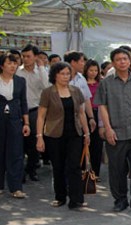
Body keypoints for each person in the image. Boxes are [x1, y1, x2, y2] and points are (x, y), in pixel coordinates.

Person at [94, 48, 131, 213]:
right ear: (113, 63)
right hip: (116, 133)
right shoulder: (106, 83)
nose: (122, 62)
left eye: (125, 59)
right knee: (117, 169)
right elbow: (102, 107)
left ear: (130, 60)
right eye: (118, 59)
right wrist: (107, 128)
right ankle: (120, 200)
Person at [36, 62, 90, 209]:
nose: (66, 77)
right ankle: (60, 196)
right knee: (58, 166)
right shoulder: (48, 92)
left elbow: (81, 113)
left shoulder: (75, 91)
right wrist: (39, 136)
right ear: (55, 75)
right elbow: (41, 116)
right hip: (54, 134)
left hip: (74, 133)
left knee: (74, 166)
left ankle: (76, 199)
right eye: (62, 74)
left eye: (68, 74)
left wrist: (86, 132)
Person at [16, 44, 50, 182]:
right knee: (19, 143)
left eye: (28, 56)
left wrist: (41, 67)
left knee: (34, 142)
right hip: (19, 112)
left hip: (35, 111)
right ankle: (20, 172)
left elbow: (46, 87)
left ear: (35, 57)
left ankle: (32, 169)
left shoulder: (41, 71)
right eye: (23, 56)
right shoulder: (17, 71)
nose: (25, 59)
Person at [0, 53, 30, 199]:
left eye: (15, 63)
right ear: (2, 65)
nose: (13, 66)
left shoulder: (20, 81)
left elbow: (24, 102)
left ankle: (16, 187)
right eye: (9, 63)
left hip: (15, 119)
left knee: (16, 153)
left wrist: (26, 123)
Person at [83, 59, 104, 181]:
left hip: (98, 113)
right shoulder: (82, 82)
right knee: (84, 142)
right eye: (91, 70)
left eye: (96, 70)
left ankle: (95, 172)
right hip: (85, 113)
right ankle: (82, 170)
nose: (93, 72)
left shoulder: (101, 83)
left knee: (97, 144)